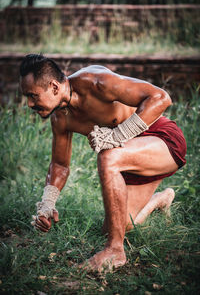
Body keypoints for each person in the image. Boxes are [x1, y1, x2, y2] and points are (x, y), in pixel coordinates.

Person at [19, 54, 186, 272]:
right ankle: (160, 199)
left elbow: (161, 97)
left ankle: (115, 251)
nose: (30, 103)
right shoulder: (60, 118)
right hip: (130, 160)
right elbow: (60, 165)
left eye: (33, 96)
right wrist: (47, 205)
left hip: (163, 141)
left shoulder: (96, 81)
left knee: (107, 155)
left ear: (53, 86)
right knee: (117, 226)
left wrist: (118, 136)